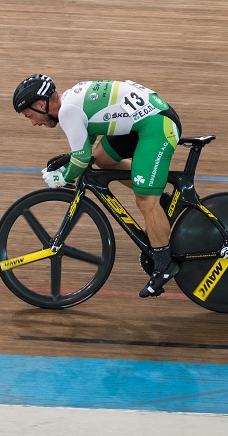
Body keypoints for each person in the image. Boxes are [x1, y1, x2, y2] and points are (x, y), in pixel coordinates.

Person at [13, 74, 182, 298]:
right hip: (143, 121)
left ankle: (164, 265)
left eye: (30, 115)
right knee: (102, 158)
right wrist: (68, 161)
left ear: (40, 104)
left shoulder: (67, 111)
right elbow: (87, 145)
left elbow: (81, 158)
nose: (34, 122)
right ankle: (159, 200)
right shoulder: (73, 98)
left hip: (156, 127)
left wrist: (63, 177)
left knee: (144, 200)